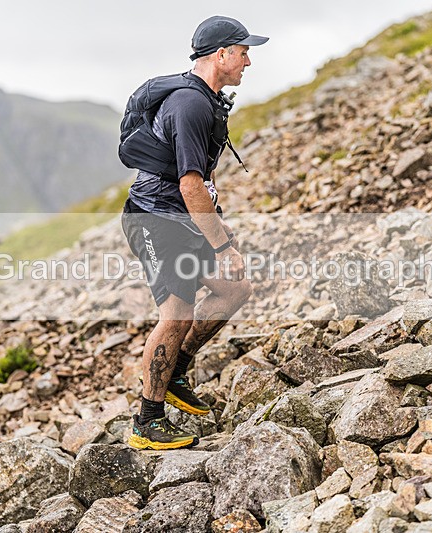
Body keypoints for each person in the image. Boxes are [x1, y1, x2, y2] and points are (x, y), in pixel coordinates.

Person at [121, 16, 268, 450]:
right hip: (155, 218)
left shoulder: (209, 100)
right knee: (177, 315)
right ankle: (147, 423)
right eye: (243, 52)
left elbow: (199, 183)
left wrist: (221, 233)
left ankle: (175, 371)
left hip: (183, 216)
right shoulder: (191, 104)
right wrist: (222, 244)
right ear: (221, 55)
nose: (247, 61)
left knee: (234, 289)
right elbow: (189, 183)